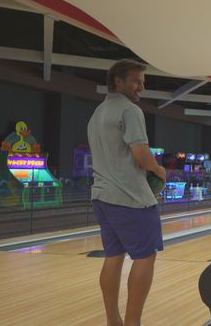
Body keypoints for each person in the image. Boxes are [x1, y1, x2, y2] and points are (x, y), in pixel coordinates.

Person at [87, 59, 166, 326]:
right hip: (131, 198)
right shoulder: (130, 111)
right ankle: (133, 323)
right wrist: (159, 170)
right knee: (145, 256)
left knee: (113, 256)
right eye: (136, 81)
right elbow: (141, 154)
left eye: (142, 83)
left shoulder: (97, 113)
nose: (140, 88)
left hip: (102, 196)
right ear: (117, 81)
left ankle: (113, 321)